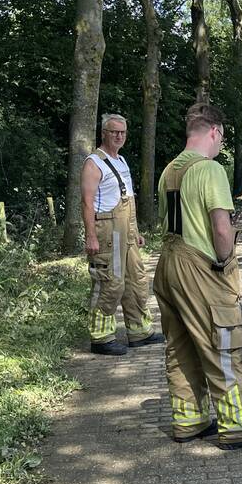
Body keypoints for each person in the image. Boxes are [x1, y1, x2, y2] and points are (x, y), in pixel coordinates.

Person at [154, 103, 242, 449]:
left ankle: (189, 420)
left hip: (168, 265)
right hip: (200, 269)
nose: (221, 143)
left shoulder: (168, 172)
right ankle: (239, 426)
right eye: (221, 137)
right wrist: (225, 263)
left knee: (180, 346)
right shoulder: (210, 170)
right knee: (223, 343)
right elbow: (221, 229)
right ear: (214, 131)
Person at [80, 113, 164, 355]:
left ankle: (139, 332)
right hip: (107, 231)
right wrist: (90, 235)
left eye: (122, 132)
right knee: (110, 282)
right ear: (104, 133)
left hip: (126, 231)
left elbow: (128, 200)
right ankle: (101, 338)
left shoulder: (122, 160)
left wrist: (135, 231)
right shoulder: (93, 163)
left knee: (136, 280)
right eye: (114, 131)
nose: (119, 136)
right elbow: (86, 203)